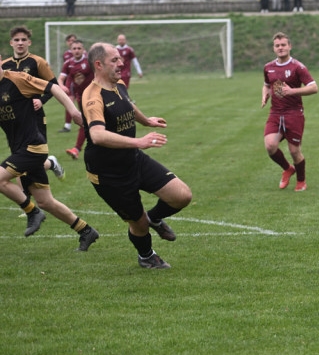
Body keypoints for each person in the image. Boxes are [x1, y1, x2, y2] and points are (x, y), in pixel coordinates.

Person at [81, 43, 192, 269]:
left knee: (182, 195)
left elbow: (128, 106)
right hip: (108, 173)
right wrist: (139, 142)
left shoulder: (118, 84)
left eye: (120, 58)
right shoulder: (92, 96)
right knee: (138, 223)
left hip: (133, 159)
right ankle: (146, 256)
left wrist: (146, 121)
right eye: (115, 60)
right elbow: (97, 135)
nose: (121, 63)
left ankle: (155, 218)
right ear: (99, 64)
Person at [0, 64, 98, 250]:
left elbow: (52, 87)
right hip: (19, 150)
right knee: (45, 201)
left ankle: (31, 211)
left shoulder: (17, 78)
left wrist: (74, 112)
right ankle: (85, 231)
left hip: (33, 147)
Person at [3, 26, 66, 185]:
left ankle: (49, 164)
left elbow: (54, 87)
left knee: (30, 160)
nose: (20, 43)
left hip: (35, 117)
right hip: (14, 119)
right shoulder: (4, 65)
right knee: (18, 159)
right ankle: (29, 202)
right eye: (17, 40)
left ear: (29, 42)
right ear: (11, 43)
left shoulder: (37, 62)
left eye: (23, 40)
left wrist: (41, 100)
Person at [262, 33, 318, 191]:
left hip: (294, 113)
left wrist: (292, 91)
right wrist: (264, 94)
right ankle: (288, 169)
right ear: (274, 48)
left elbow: (314, 88)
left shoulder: (298, 67)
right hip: (275, 113)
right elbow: (266, 84)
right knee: (270, 146)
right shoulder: (268, 67)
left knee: (294, 151)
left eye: (283, 45)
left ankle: (301, 181)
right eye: (277, 46)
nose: (280, 48)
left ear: (289, 46)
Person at [58, 39, 93, 160]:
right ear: (70, 50)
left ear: (83, 49)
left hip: (95, 96)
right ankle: (78, 149)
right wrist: (62, 86)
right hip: (81, 97)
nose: (77, 50)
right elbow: (60, 78)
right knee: (86, 122)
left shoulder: (89, 61)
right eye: (74, 48)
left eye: (79, 48)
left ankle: (77, 148)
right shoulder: (68, 63)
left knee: (89, 122)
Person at [58, 34, 78, 132]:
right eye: (70, 40)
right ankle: (67, 126)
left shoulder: (83, 54)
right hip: (70, 82)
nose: (71, 42)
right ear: (67, 42)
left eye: (73, 40)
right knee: (69, 102)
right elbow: (65, 70)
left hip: (81, 83)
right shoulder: (66, 54)